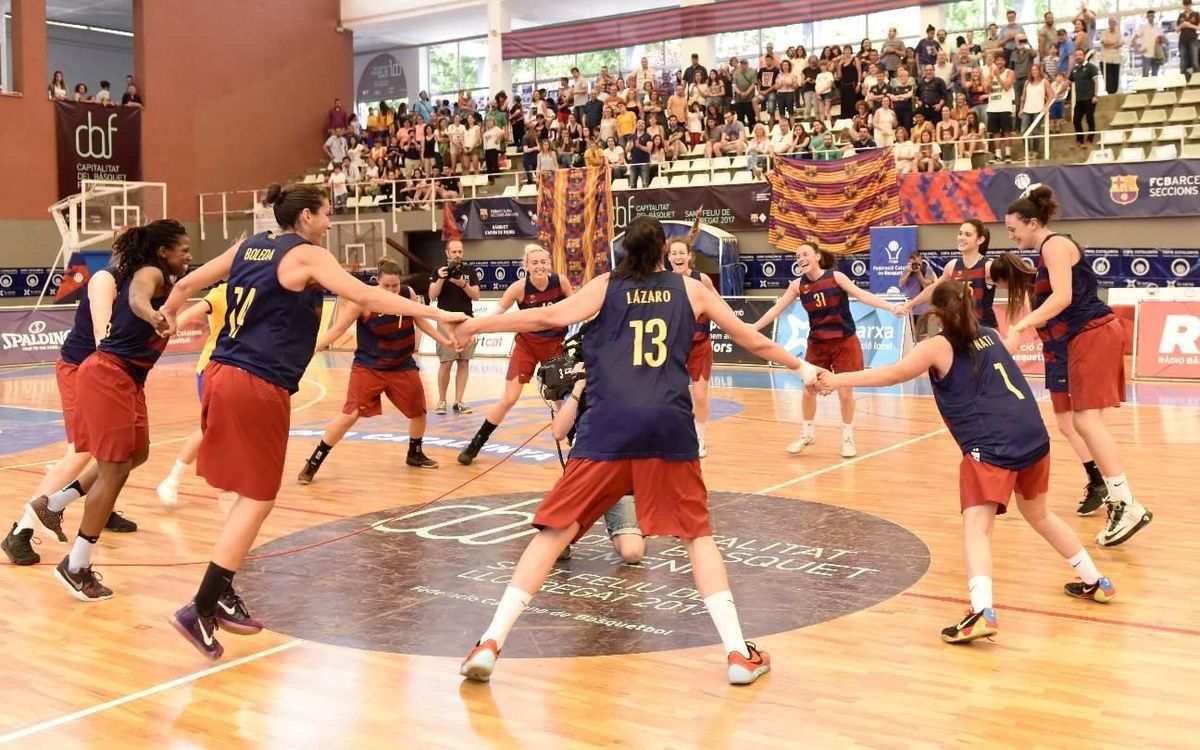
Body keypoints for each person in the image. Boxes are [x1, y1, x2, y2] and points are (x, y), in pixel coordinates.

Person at [452, 216, 817, 685]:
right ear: (666, 250)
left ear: (622, 252)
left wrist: (478, 324)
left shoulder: (605, 286)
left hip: (608, 426)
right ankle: (737, 654)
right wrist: (803, 368)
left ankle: (489, 642)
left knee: (554, 533)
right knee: (697, 536)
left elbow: (545, 318)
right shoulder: (692, 290)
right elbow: (752, 339)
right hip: (668, 427)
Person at [159, 183, 465, 659]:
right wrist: (436, 311)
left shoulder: (247, 245)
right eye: (325, 215)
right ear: (305, 217)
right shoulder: (305, 254)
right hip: (256, 380)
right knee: (258, 498)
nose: (328, 223)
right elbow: (368, 296)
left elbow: (184, 285)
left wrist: (164, 314)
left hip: (221, 371)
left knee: (249, 494)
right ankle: (201, 605)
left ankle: (219, 590)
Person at [817, 280, 1116, 645]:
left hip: (991, 445)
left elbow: (893, 374)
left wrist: (837, 379)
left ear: (937, 313)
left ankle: (981, 612)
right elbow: (1008, 349)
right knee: (1039, 514)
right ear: (970, 303)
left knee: (977, 529)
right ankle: (1095, 580)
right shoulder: (990, 334)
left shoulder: (936, 346)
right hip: (1034, 435)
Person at [1002, 187, 1152, 547]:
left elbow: (1063, 297)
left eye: (1013, 229)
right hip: (1077, 338)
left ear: (1033, 223)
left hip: (1092, 332)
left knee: (1086, 421)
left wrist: (1021, 325)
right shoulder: (1043, 253)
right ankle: (1115, 496)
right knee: (1075, 421)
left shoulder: (1054, 245)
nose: (1011, 236)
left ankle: (1125, 503)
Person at [53, 221, 192, 601]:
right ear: (163, 252)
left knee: (138, 453)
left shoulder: (170, 281)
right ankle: (76, 565)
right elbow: (137, 300)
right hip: (107, 375)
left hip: (129, 378)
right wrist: (150, 315)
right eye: (183, 249)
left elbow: (195, 282)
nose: (189, 255)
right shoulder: (149, 273)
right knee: (113, 470)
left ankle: (55, 503)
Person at [3, 260, 138, 565]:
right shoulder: (107, 279)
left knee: (120, 448)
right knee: (81, 451)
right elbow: (104, 338)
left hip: (107, 371)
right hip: (82, 369)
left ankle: (101, 506)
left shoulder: (143, 280)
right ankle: (21, 531)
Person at [297, 260, 449, 483]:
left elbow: (421, 322)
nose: (391, 290)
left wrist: (445, 340)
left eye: (395, 286)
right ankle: (313, 462)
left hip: (402, 364)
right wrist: (313, 348)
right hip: (369, 367)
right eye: (386, 286)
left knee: (418, 412)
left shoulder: (407, 294)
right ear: (378, 281)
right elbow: (338, 328)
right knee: (349, 415)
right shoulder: (363, 300)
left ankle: (414, 454)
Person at [751, 242, 902, 458]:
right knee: (808, 389)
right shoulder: (797, 286)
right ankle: (807, 433)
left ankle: (847, 437)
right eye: (797, 256)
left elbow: (862, 295)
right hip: (818, 343)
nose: (800, 259)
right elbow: (777, 309)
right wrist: (754, 327)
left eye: (805, 254)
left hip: (844, 341)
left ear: (817, 256)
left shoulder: (836, 277)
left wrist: (891, 307)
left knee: (845, 391)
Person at [987, 254, 1110, 517]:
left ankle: (1103, 481)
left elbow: (1038, 322)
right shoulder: (1033, 288)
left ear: (1007, 278)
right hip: (1055, 355)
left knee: (1080, 424)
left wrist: (1014, 333)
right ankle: (1099, 479)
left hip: (1068, 352)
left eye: (1001, 285)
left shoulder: (1041, 287)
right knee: (1068, 425)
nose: (1004, 291)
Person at [457, 245, 574, 466]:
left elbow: (576, 308)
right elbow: (496, 314)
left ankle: (576, 447)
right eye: (535, 263)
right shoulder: (519, 288)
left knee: (561, 401)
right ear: (526, 265)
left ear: (549, 264)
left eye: (543, 262)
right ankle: (475, 444)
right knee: (509, 399)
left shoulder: (561, 282)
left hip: (555, 346)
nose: (539, 266)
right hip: (527, 345)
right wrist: (473, 330)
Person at [155, 281, 229, 506]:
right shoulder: (220, 294)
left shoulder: (261, 292)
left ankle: (228, 474)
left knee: (234, 426)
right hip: (212, 368)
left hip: (239, 369)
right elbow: (189, 314)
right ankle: (172, 480)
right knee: (210, 427)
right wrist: (167, 327)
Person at [667, 238, 716, 458]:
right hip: (672, 346)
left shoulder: (701, 279)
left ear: (689, 256)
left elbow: (718, 305)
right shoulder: (664, 281)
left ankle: (699, 439)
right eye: (673, 253)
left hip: (699, 345)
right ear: (668, 257)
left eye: (681, 253)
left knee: (700, 395)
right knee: (668, 395)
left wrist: (739, 327)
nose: (678, 257)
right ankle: (673, 436)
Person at [902, 220, 997, 328]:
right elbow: (933, 289)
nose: (961, 237)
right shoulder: (952, 266)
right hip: (961, 328)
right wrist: (909, 305)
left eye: (968, 235)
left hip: (984, 328)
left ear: (980, 240)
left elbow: (1012, 285)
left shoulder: (988, 266)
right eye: (960, 233)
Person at [430, 239, 480, 415]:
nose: (457, 255)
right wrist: (441, 279)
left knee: (464, 361)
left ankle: (459, 401)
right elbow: (432, 295)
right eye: (454, 252)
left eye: (460, 252)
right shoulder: (439, 270)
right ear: (447, 253)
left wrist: (462, 283)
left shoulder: (469, 271)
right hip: (446, 321)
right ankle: (442, 400)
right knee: (446, 362)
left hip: (466, 320)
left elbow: (476, 296)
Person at [899, 251, 937, 340]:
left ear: (920, 260)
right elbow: (901, 284)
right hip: (910, 307)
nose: (915, 265)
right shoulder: (907, 269)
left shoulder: (927, 269)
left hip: (922, 308)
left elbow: (927, 284)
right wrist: (908, 272)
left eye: (916, 263)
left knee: (922, 333)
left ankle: (923, 347)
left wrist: (919, 272)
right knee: (910, 334)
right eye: (913, 263)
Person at [1069, 49, 1101, 150]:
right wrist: (1057, 92)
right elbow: (1068, 82)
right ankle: (1079, 140)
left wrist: (1095, 95)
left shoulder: (1091, 67)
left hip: (1089, 98)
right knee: (1076, 119)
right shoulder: (1075, 69)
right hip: (1079, 99)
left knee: (1089, 119)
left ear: (1084, 56)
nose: (1078, 57)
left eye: (1080, 55)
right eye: (1076, 55)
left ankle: (1090, 140)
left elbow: (1096, 81)